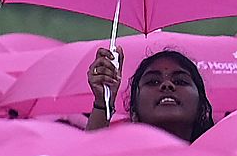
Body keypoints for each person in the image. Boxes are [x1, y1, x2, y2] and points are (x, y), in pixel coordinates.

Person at [85, 46, 214, 142]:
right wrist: (103, 102)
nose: (167, 85)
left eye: (180, 81)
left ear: (201, 106)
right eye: (153, 81)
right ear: (134, 111)